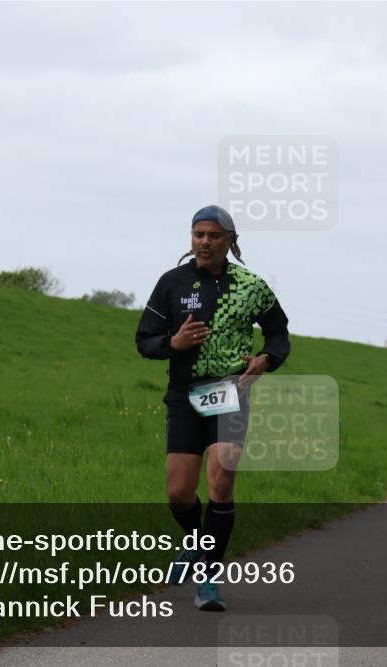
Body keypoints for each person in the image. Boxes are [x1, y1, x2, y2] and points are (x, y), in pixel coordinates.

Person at [135, 205, 290, 611]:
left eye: (214, 236)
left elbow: (278, 334)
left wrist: (266, 360)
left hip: (229, 391)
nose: (204, 242)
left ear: (230, 241)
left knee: (221, 479)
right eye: (198, 234)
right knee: (179, 491)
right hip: (184, 393)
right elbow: (144, 340)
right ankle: (195, 542)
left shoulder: (251, 286)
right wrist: (173, 344)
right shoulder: (172, 283)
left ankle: (207, 577)